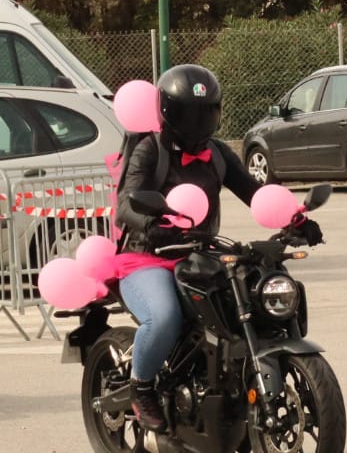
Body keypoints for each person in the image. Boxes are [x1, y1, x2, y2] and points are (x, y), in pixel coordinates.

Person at [114, 64, 322, 432]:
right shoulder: (149, 150)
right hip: (148, 257)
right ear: (167, 112)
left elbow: (255, 193)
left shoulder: (218, 153)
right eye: (188, 114)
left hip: (198, 252)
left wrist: (295, 220)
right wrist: (150, 224)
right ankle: (141, 388)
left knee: (249, 296)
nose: (197, 122)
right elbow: (126, 204)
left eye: (205, 112)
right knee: (164, 316)